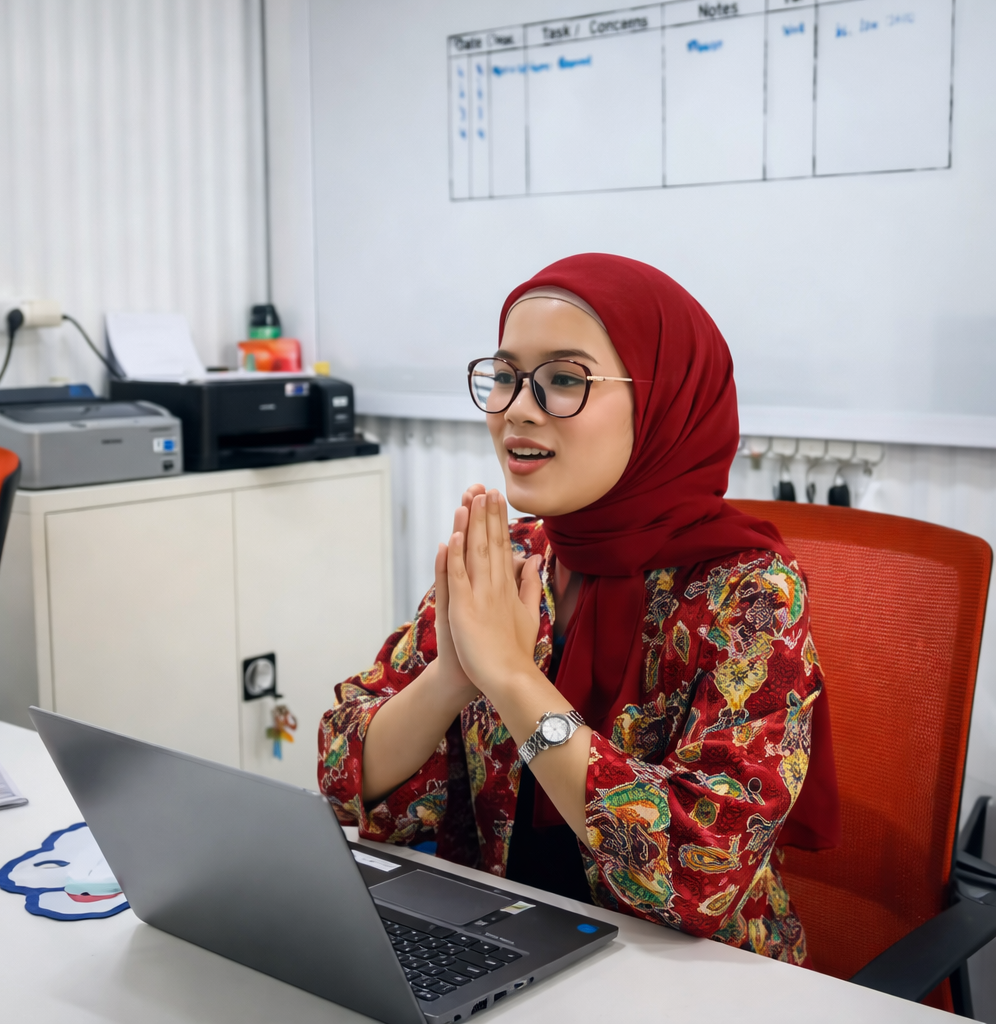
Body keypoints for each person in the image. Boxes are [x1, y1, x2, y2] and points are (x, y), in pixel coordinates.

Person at [318, 253, 839, 964]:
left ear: (664, 404)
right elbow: (345, 775)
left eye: (564, 379)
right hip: (505, 945)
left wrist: (511, 679)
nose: (517, 409)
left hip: (692, 981)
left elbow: (695, 875)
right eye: (505, 377)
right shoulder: (510, 557)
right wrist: (451, 678)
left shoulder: (748, 593)